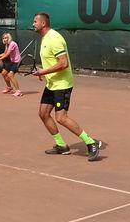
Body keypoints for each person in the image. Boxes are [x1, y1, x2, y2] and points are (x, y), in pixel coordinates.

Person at [31, 12, 102, 161]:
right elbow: (52, 61)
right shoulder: (45, 38)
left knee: (61, 118)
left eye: (35, 21)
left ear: (43, 23)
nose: (33, 24)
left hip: (62, 84)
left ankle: (91, 142)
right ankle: (61, 145)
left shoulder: (54, 38)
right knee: (43, 114)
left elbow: (63, 63)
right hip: (52, 83)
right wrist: (43, 73)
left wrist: (44, 71)